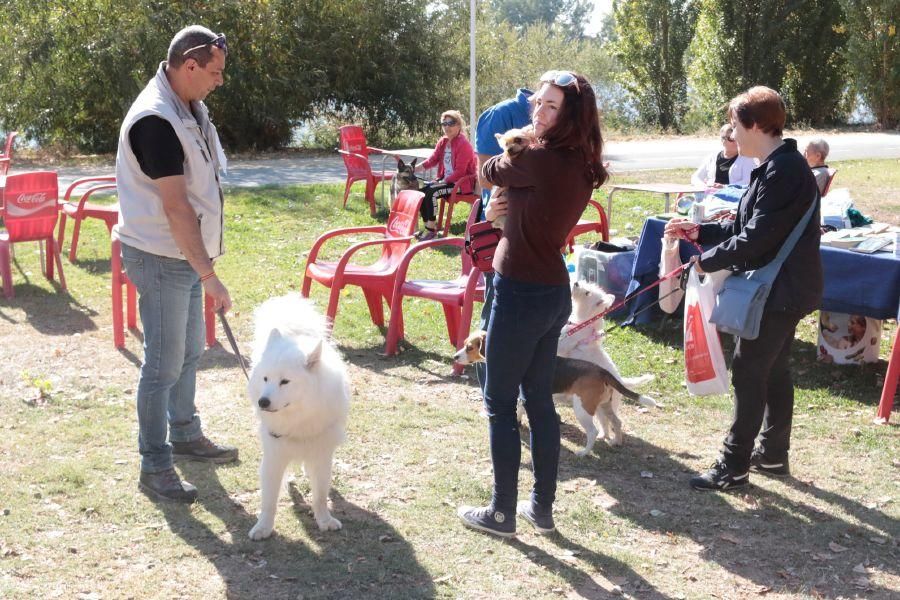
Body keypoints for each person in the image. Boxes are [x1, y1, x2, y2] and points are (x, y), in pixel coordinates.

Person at [458, 71, 608, 536]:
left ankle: (502, 512)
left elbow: (483, 171)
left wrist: (511, 158)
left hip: (519, 292)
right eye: (536, 104)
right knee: (537, 400)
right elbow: (514, 208)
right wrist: (498, 211)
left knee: (500, 402)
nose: (537, 114)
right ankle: (540, 509)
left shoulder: (538, 158)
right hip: (550, 292)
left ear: (570, 116)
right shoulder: (580, 161)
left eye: (550, 107)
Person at [665, 86, 822, 491]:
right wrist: (700, 232)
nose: (731, 134)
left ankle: (732, 466)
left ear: (755, 125)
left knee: (750, 371)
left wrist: (706, 259)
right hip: (785, 287)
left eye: (735, 125)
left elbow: (758, 236)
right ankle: (771, 455)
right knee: (773, 369)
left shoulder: (783, 169)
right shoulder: (772, 166)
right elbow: (743, 227)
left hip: (780, 291)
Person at [113, 25, 238, 504]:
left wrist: (201, 267)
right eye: (214, 72)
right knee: (163, 365)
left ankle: (185, 433)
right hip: (163, 256)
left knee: (189, 353)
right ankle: (155, 463)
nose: (218, 81)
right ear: (189, 65)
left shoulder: (189, 103)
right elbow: (177, 207)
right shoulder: (155, 119)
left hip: (183, 255)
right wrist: (208, 275)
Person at [472, 87, 534, 393]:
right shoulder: (501, 114)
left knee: (532, 325)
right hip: (501, 231)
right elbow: (484, 177)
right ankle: (491, 395)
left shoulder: (556, 125)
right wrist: (490, 207)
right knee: (496, 313)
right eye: (544, 103)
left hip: (535, 240)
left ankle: (525, 396)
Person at [413, 110, 476, 241]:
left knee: (432, 191)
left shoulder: (464, 144)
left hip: (460, 184)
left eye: (451, 123)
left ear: (458, 125)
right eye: (444, 123)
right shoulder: (442, 142)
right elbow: (432, 160)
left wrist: (441, 182)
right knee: (422, 190)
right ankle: (427, 227)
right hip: (445, 181)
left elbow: (460, 172)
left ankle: (431, 230)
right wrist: (413, 169)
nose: (447, 127)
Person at [691, 124, 756, 188]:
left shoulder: (747, 158)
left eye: (738, 137)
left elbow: (748, 181)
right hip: (711, 195)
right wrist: (705, 187)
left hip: (734, 196)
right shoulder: (712, 157)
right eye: (731, 139)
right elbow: (695, 177)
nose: (736, 141)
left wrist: (725, 187)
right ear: (722, 140)